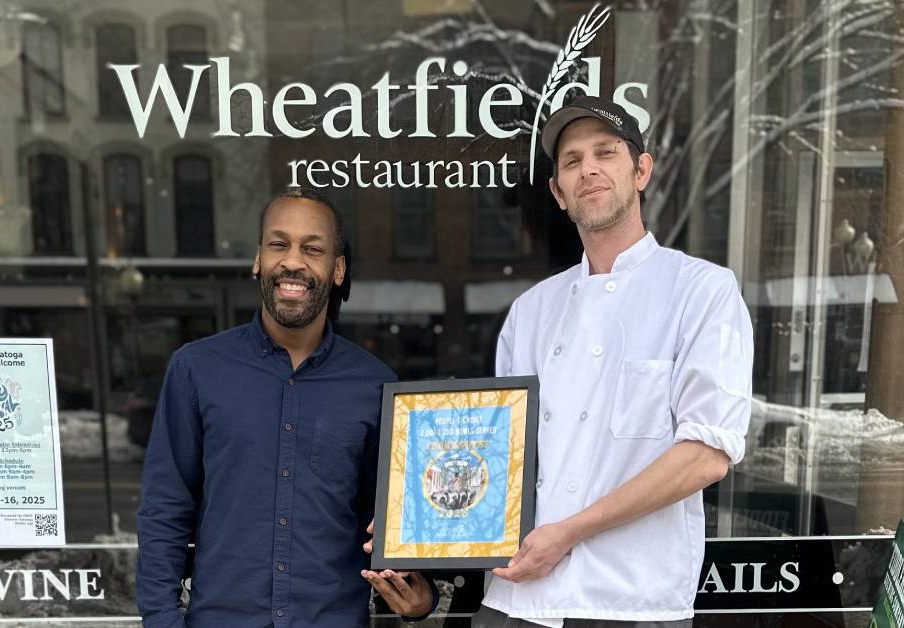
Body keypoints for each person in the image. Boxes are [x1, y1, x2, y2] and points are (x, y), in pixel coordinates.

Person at [473, 96, 754, 628]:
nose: (589, 169)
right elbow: (499, 454)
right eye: (572, 161)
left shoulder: (701, 291)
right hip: (517, 599)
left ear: (641, 170)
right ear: (558, 191)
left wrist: (568, 532)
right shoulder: (530, 311)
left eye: (606, 152)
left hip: (630, 599)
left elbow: (706, 455)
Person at [136, 188, 435, 627]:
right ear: (259, 258)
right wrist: (162, 619)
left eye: (312, 249)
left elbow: (390, 520)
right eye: (279, 244)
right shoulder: (197, 369)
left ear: (337, 270)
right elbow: (165, 507)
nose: (292, 261)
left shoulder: (376, 385)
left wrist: (418, 594)